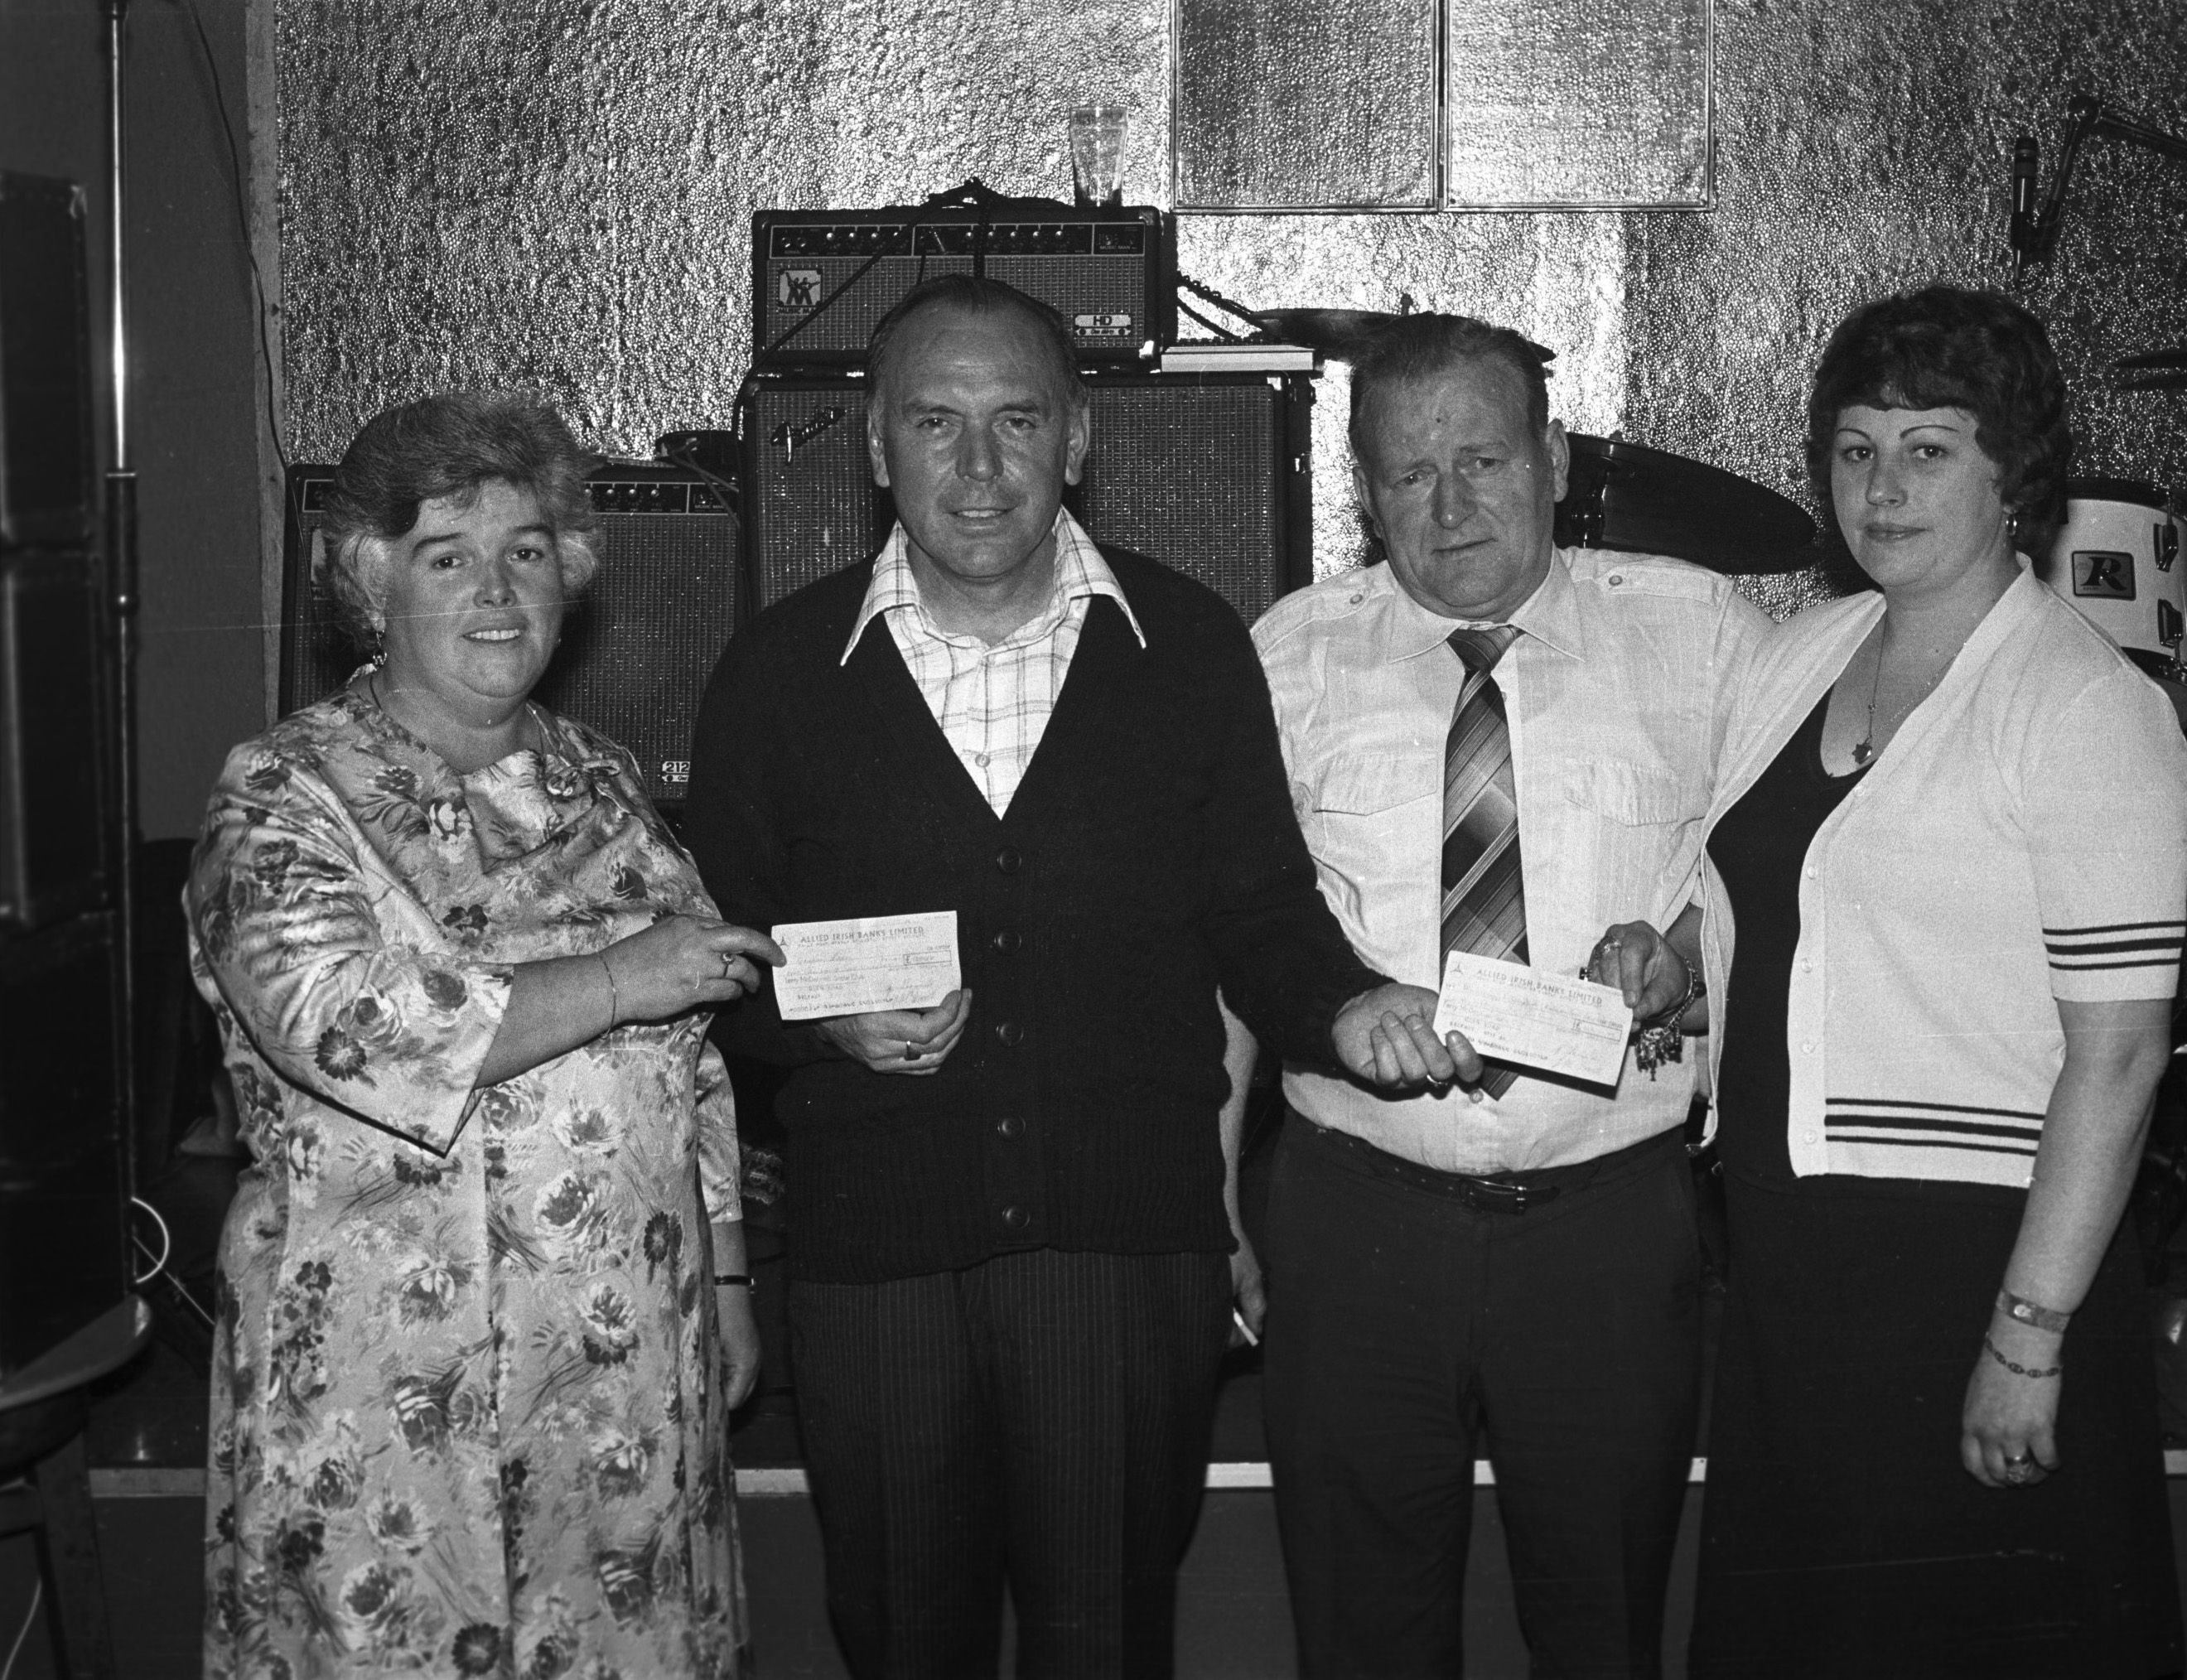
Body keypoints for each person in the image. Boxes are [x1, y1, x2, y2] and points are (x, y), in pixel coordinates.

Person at [686, 274, 1471, 1680]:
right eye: (936, 423)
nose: (978, 468)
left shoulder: (1186, 651)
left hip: (1123, 1254)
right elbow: (719, 973)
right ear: (874, 447)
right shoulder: (778, 675)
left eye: (1015, 421)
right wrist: (817, 1017)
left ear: (1078, 440)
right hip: (876, 1266)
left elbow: (1262, 913)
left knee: (1105, 1640)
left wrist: (1348, 1006)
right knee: (902, 1643)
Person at [1591, 285, 2187, 1676]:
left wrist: (2029, 1338)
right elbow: (1781, 909)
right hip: (1802, 1255)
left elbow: (2120, 1058)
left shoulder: (2087, 706)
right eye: (1856, 449)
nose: (1884, 485)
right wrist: (1672, 968)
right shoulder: (1807, 653)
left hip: (1975, 1260)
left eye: (1929, 448)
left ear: (2012, 473)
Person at [187, 392, 782, 1680]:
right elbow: (338, 1023)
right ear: (369, 577)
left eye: (526, 551)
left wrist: (727, 1276)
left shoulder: (604, 776)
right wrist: (619, 977)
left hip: (625, 1364)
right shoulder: (285, 788)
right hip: (390, 1384)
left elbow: (693, 1052)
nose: (497, 589)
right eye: (447, 557)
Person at [1248, 311, 1771, 1678]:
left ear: (1552, 463)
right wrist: (1208, 1198)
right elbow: (1239, 948)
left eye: (1483, 461)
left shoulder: (1702, 636)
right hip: (1357, 1229)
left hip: (1605, 1230)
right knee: (1362, 1638)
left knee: (1602, 1628)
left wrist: (1688, 966)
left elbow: (1783, 895)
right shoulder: (1289, 657)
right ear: (1363, 493)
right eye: (1409, 475)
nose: (1450, 504)